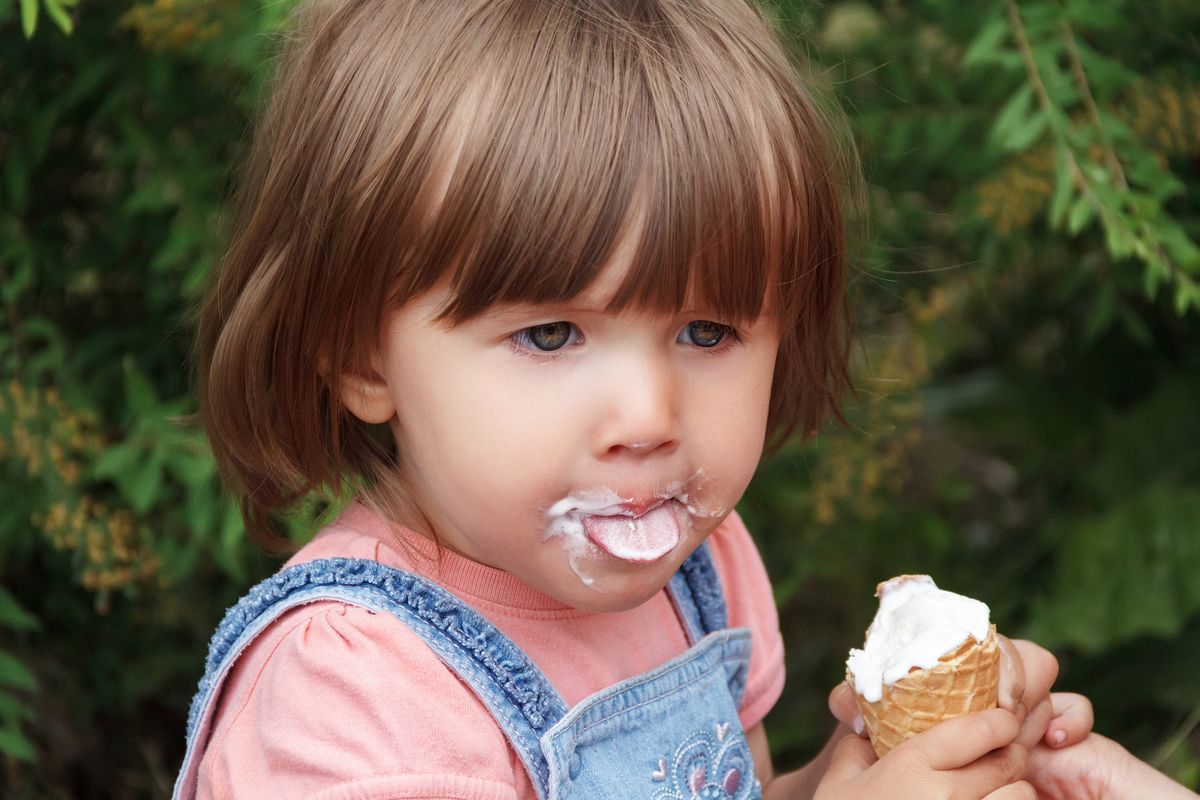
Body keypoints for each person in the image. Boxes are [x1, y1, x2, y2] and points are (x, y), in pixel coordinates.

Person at [172, 1, 1193, 798]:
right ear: (363, 355)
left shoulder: (696, 568)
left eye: (708, 332)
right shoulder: (350, 693)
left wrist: (871, 767)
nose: (652, 416)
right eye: (550, 333)